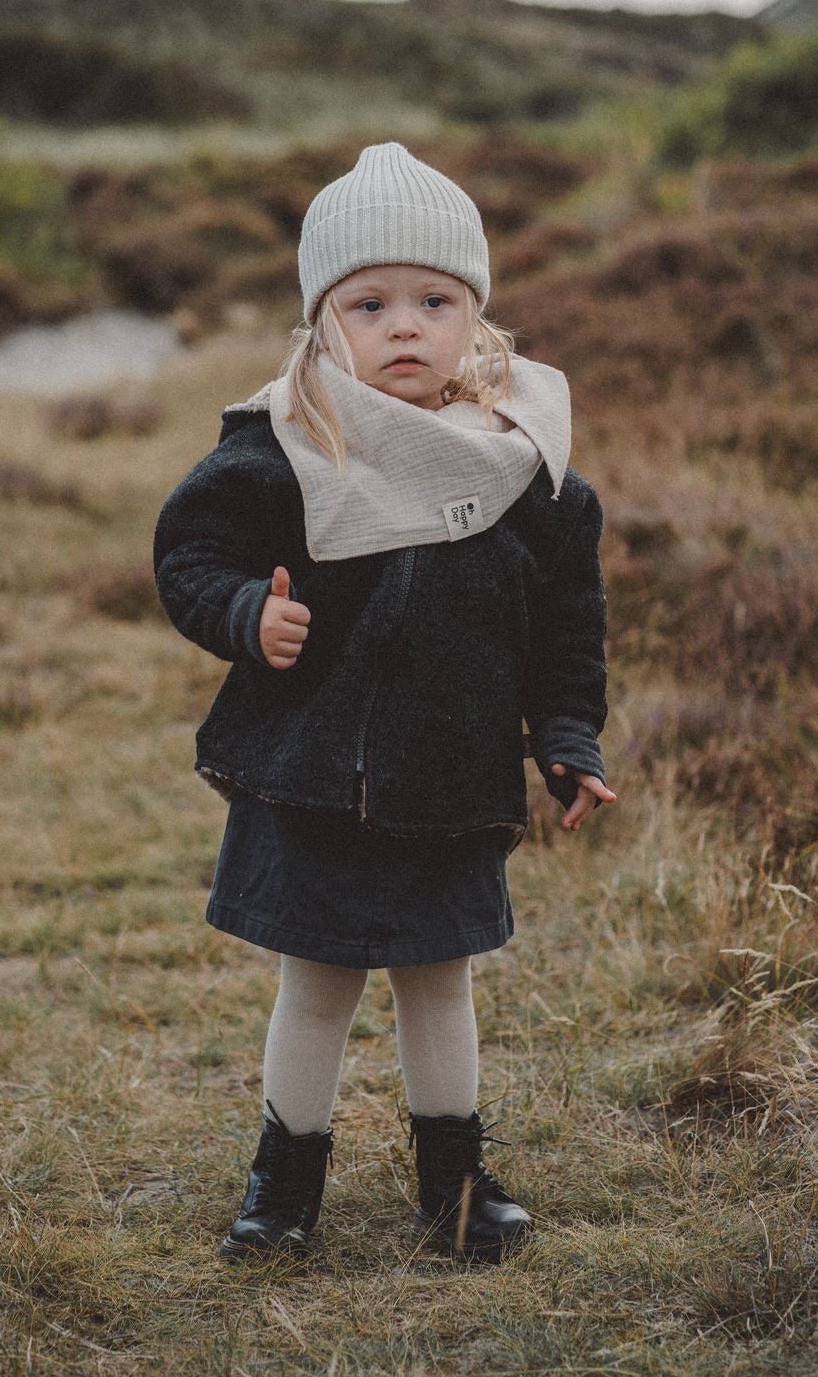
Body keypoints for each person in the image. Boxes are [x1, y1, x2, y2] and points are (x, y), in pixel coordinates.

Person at [153, 142, 615, 1266]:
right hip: (312, 775)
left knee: (435, 982)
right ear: (323, 322)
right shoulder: (284, 447)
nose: (403, 324)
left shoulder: (524, 473)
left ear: (474, 316)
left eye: (433, 300)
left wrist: (564, 738)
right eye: (368, 302)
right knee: (314, 984)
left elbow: (565, 631)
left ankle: (453, 1184)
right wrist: (240, 620)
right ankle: (283, 1182)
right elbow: (188, 551)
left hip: (451, 777)